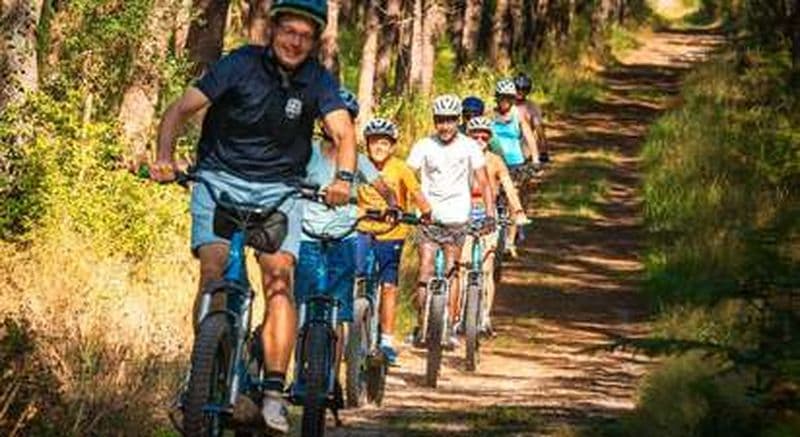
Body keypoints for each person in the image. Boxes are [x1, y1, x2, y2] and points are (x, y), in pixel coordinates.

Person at [149, 0, 354, 432]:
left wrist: (344, 179)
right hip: (217, 180)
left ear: (315, 42)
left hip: (281, 191)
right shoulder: (239, 64)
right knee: (214, 270)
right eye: (288, 31)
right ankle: (205, 372)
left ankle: (274, 393)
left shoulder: (318, 80)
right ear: (273, 29)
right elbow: (179, 110)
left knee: (280, 280)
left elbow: (342, 132)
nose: (295, 41)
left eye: (305, 35)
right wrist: (164, 158)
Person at [293, 89, 396, 405]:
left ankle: (331, 378)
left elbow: (382, 187)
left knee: (337, 311)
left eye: (346, 118)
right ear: (321, 122)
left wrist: (391, 204)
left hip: (344, 238)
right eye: (330, 117)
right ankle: (298, 373)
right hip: (307, 236)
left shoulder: (359, 159)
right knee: (302, 307)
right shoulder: (306, 152)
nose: (337, 124)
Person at [407, 94, 495, 349]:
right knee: (424, 267)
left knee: (452, 269)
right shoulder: (424, 145)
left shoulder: (470, 146)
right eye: (440, 121)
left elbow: (484, 182)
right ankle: (422, 323)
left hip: (458, 218)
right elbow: (407, 177)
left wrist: (490, 214)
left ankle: (449, 323)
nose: (445, 126)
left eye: (450, 121)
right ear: (435, 121)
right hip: (429, 217)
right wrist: (403, 206)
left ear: (458, 121)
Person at [356, 117, 432, 364]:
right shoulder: (359, 165)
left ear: (392, 146)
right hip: (362, 229)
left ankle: (387, 340)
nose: (378, 147)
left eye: (384, 143)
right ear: (366, 145)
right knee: (356, 277)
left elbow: (416, 193)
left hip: (392, 233)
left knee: (388, 286)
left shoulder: (400, 168)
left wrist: (426, 212)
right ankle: (352, 332)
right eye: (374, 142)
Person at [463, 116, 526, 334]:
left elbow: (509, 187)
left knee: (488, 267)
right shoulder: (460, 158)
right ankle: (459, 313)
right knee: (463, 265)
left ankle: (484, 317)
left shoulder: (496, 161)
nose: (480, 139)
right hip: (463, 214)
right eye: (475, 135)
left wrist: (517, 211)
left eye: (484, 135)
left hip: (489, 215)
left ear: (490, 138)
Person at [491, 79, 537, 258]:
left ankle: (510, 241)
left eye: (508, 98)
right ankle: (493, 238)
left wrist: (535, 159)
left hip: (515, 163)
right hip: (496, 163)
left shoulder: (517, 114)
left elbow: (529, 137)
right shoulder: (490, 115)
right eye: (501, 98)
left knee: (512, 200)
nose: (504, 102)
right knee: (494, 199)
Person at [513, 73, 550, 164]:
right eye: (518, 88)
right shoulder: (506, 105)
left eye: (524, 89)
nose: (520, 91)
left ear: (528, 91)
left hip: (524, 146)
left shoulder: (532, 107)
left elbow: (540, 131)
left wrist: (544, 150)